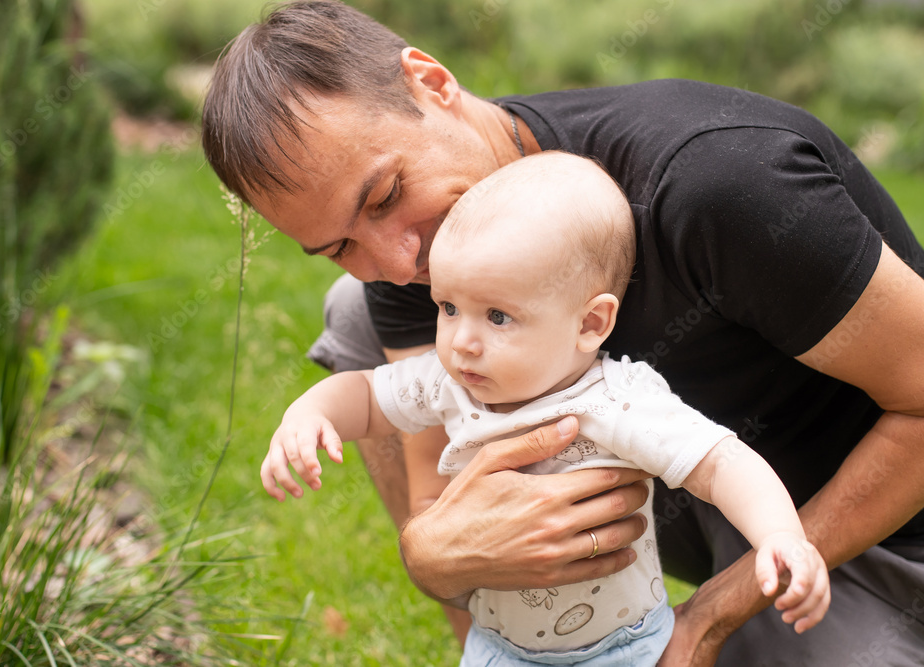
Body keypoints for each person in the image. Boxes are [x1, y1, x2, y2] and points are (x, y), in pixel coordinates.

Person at [201, 2, 924, 664]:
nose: (398, 263)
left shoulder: (717, 183)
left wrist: (708, 618)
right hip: (661, 489)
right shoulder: (423, 267)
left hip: (865, 519)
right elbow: (439, 509)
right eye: (339, 245)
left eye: (387, 195)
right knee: (354, 312)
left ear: (432, 83)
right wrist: (432, 556)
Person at [260, 152, 831, 665]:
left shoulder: (617, 399)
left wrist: (781, 536)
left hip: (624, 649)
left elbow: (721, 463)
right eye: (449, 307)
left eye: (498, 317)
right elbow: (365, 396)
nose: (462, 341)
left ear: (590, 324)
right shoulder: (450, 383)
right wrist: (310, 414)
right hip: (498, 646)